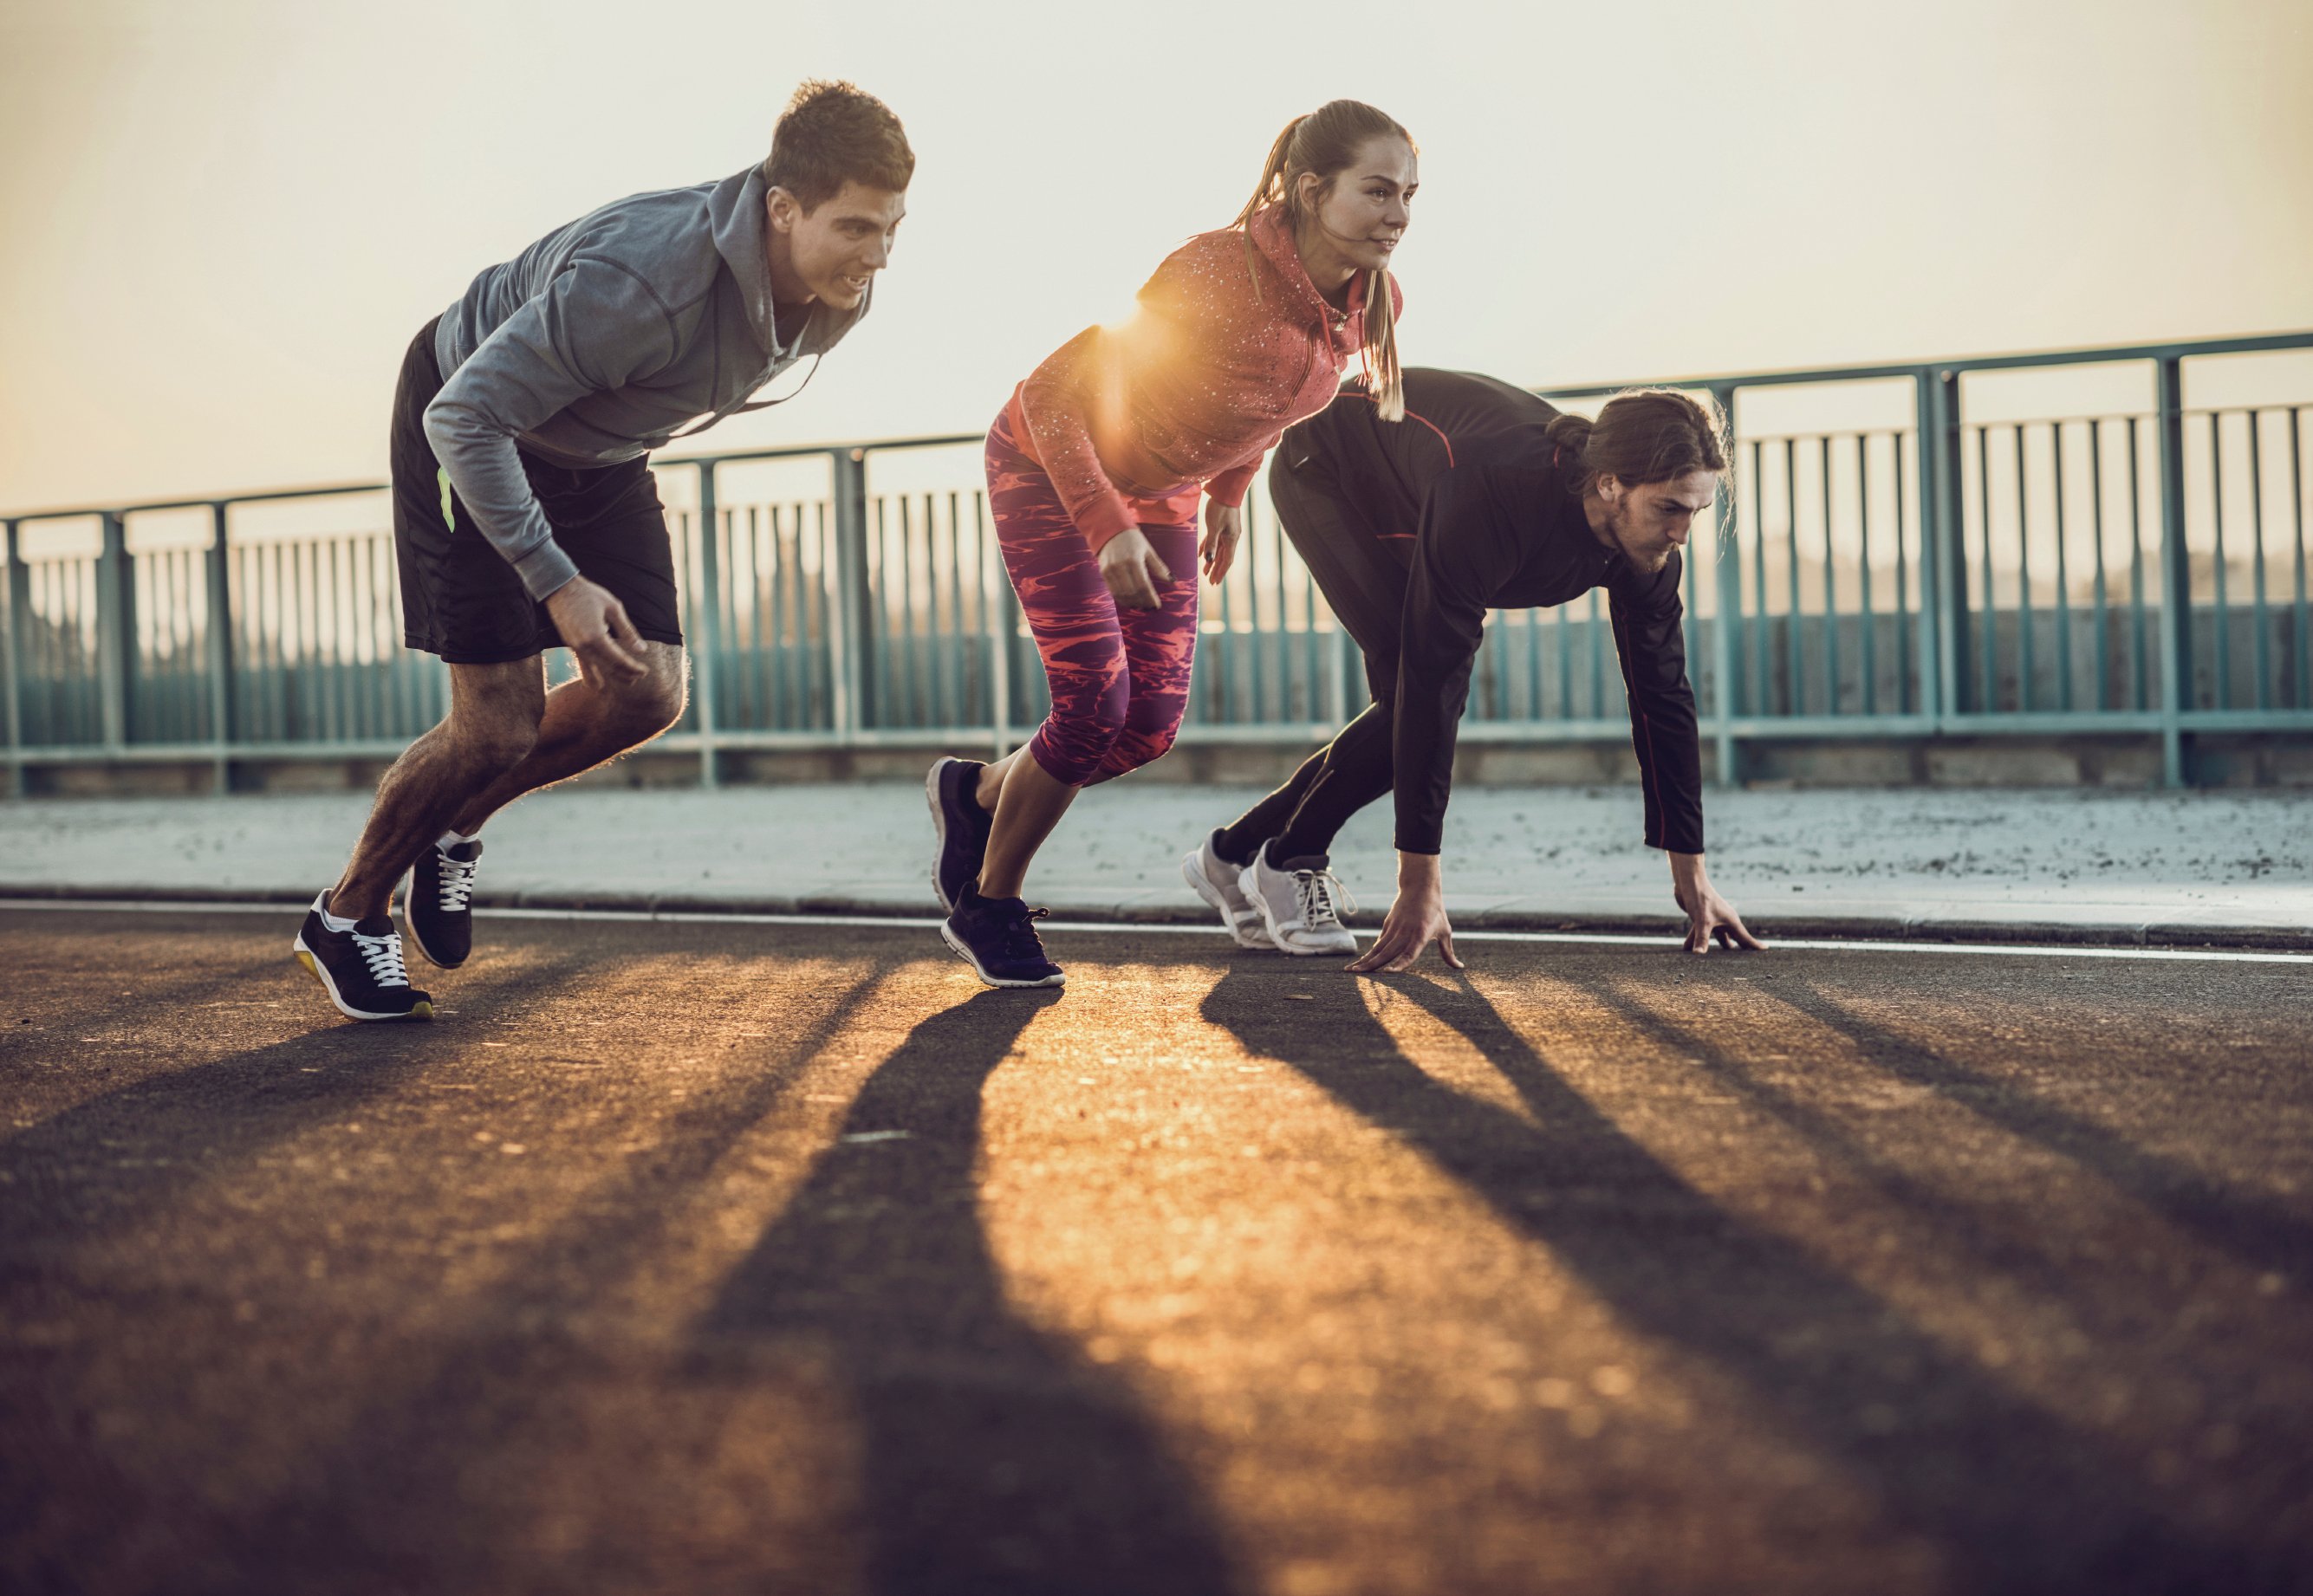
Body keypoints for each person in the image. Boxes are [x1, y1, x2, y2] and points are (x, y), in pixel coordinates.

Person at [292, 81, 913, 1022]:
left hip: (595, 452)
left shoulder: (831, 293)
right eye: (857, 228)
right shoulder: (641, 282)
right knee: (493, 725)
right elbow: (462, 415)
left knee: (647, 689)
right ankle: (345, 916)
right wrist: (556, 581)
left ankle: (452, 826)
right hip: (472, 429)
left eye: (892, 229)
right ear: (782, 210)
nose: (877, 256)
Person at [924, 101, 1417, 989]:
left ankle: (978, 793)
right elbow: (1054, 391)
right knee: (1091, 707)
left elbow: (1273, 399)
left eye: (1409, 195)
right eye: (1377, 191)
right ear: (1312, 189)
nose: (1398, 215)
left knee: (1144, 728)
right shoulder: (1217, 272)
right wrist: (1103, 522)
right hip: (1051, 465)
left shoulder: (1370, 300)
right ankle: (989, 902)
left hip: (1165, 494)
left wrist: (1227, 492)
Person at [1179, 367, 1764, 969]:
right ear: (1611, 484)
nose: (1681, 533)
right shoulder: (1494, 493)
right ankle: (1290, 858)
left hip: (1422, 480)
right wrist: (1419, 885)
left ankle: (1232, 853)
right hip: (1334, 468)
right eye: (1668, 508)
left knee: (1408, 707)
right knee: (1416, 687)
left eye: (1696, 510)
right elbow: (1436, 679)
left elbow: (1662, 695)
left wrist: (1691, 871)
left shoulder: (1650, 549)